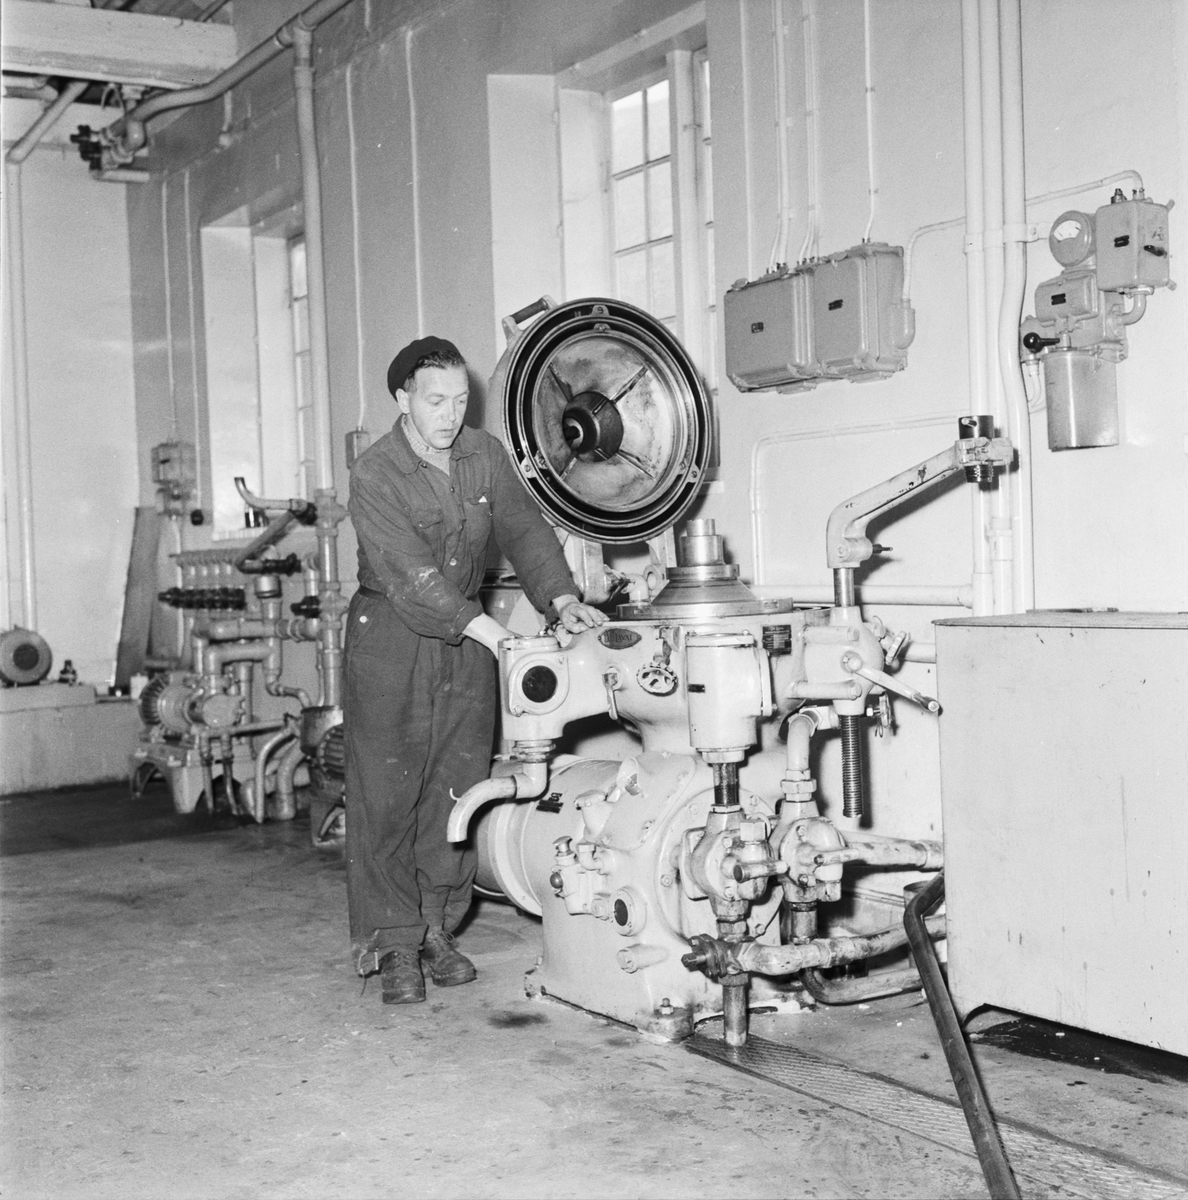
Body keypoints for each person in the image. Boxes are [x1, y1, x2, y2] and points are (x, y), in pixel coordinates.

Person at [344, 336, 605, 1005]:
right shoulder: (375, 472)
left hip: (468, 642)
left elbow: (524, 530)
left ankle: (436, 927)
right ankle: (394, 941)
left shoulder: (483, 454)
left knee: (456, 785)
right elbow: (412, 577)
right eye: (436, 401)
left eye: (460, 400)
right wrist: (494, 634)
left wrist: (562, 599)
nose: (451, 414)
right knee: (387, 795)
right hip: (394, 635)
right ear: (402, 398)